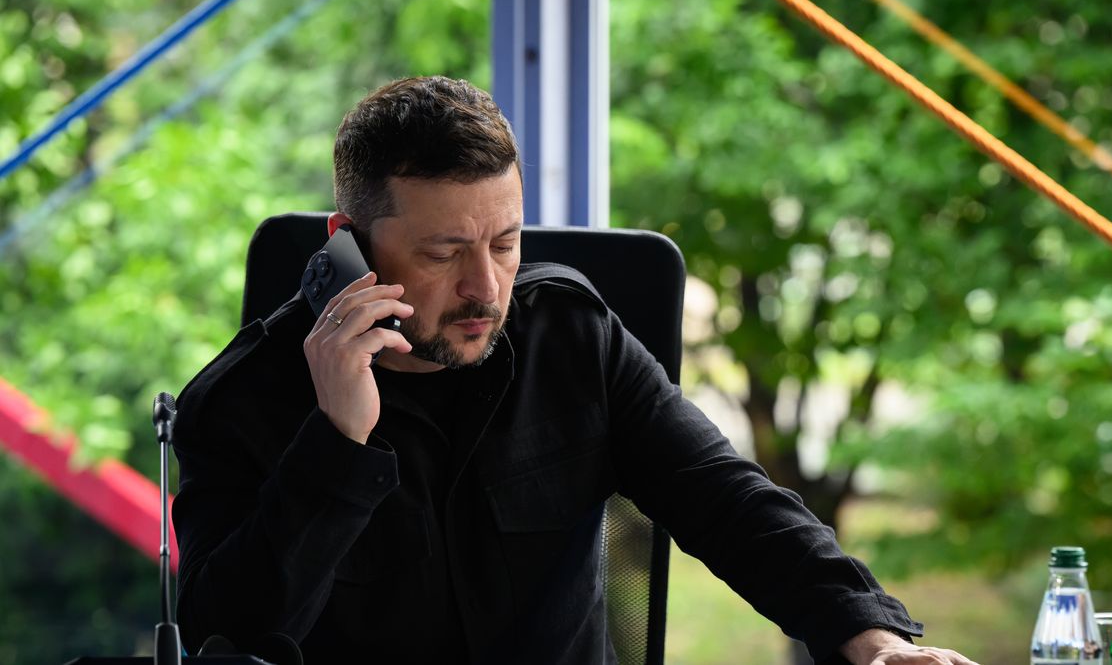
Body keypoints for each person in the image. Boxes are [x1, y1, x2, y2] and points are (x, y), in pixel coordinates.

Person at [172, 76, 977, 665]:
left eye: (505, 242)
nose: (486, 287)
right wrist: (338, 443)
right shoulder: (238, 403)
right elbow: (229, 635)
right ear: (348, 241)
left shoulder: (571, 338)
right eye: (444, 252)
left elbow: (728, 501)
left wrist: (867, 634)